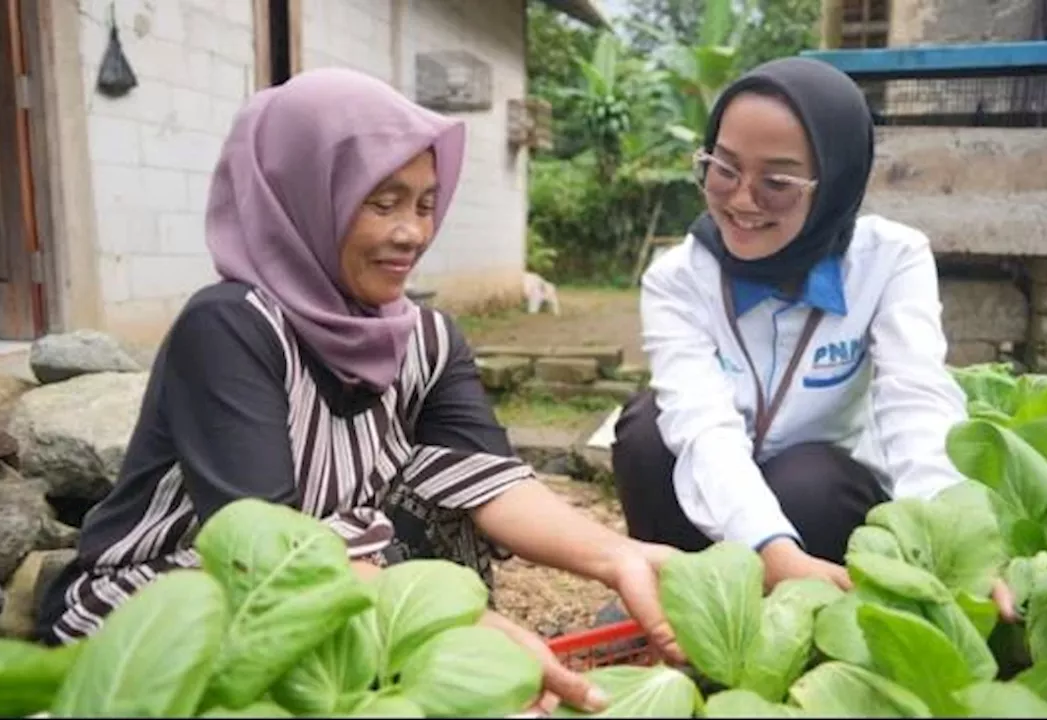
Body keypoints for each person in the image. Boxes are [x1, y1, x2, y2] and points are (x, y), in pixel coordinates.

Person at [35, 68, 682, 712]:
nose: (412, 233)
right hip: (188, 596)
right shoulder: (231, 326)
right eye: (382, 202)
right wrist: (445, 628)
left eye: (425, 204)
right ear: (307, 195)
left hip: (334, 581)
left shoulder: (424, 337)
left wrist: (618, 556)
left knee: (441, 497)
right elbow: (262, 546)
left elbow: (492, 479)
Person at [611, 58, 1015, 614]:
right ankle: (678, 602)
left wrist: (951, 537)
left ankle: (807, 613)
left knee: (810, 479)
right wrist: (768, 548)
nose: (742, 200)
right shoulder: (678, 278)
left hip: (819, 494)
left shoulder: (891, 260)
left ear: (835, 183)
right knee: (647, 431)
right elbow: (701, 422)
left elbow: (915, 398)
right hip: (716, 483)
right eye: (724, 169)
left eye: (777, 183)